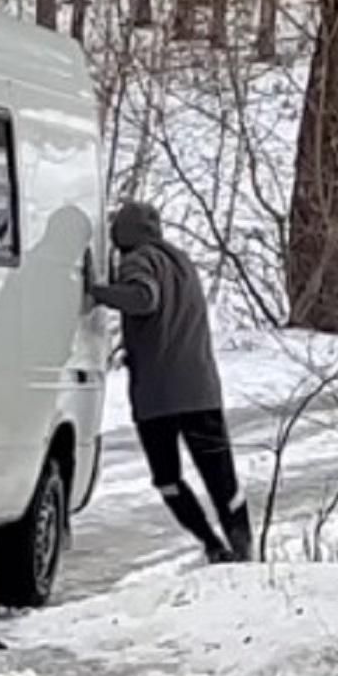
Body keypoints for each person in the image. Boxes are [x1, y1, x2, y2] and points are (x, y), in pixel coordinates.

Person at [86, 201, 253, 563]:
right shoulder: (182, 261)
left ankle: (211, 544)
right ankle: (243, 549)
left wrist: (96, 292)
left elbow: (144, 298)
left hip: (159, 395)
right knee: (222, 478)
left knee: (167, 477)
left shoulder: (138, 260)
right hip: (202, 390)